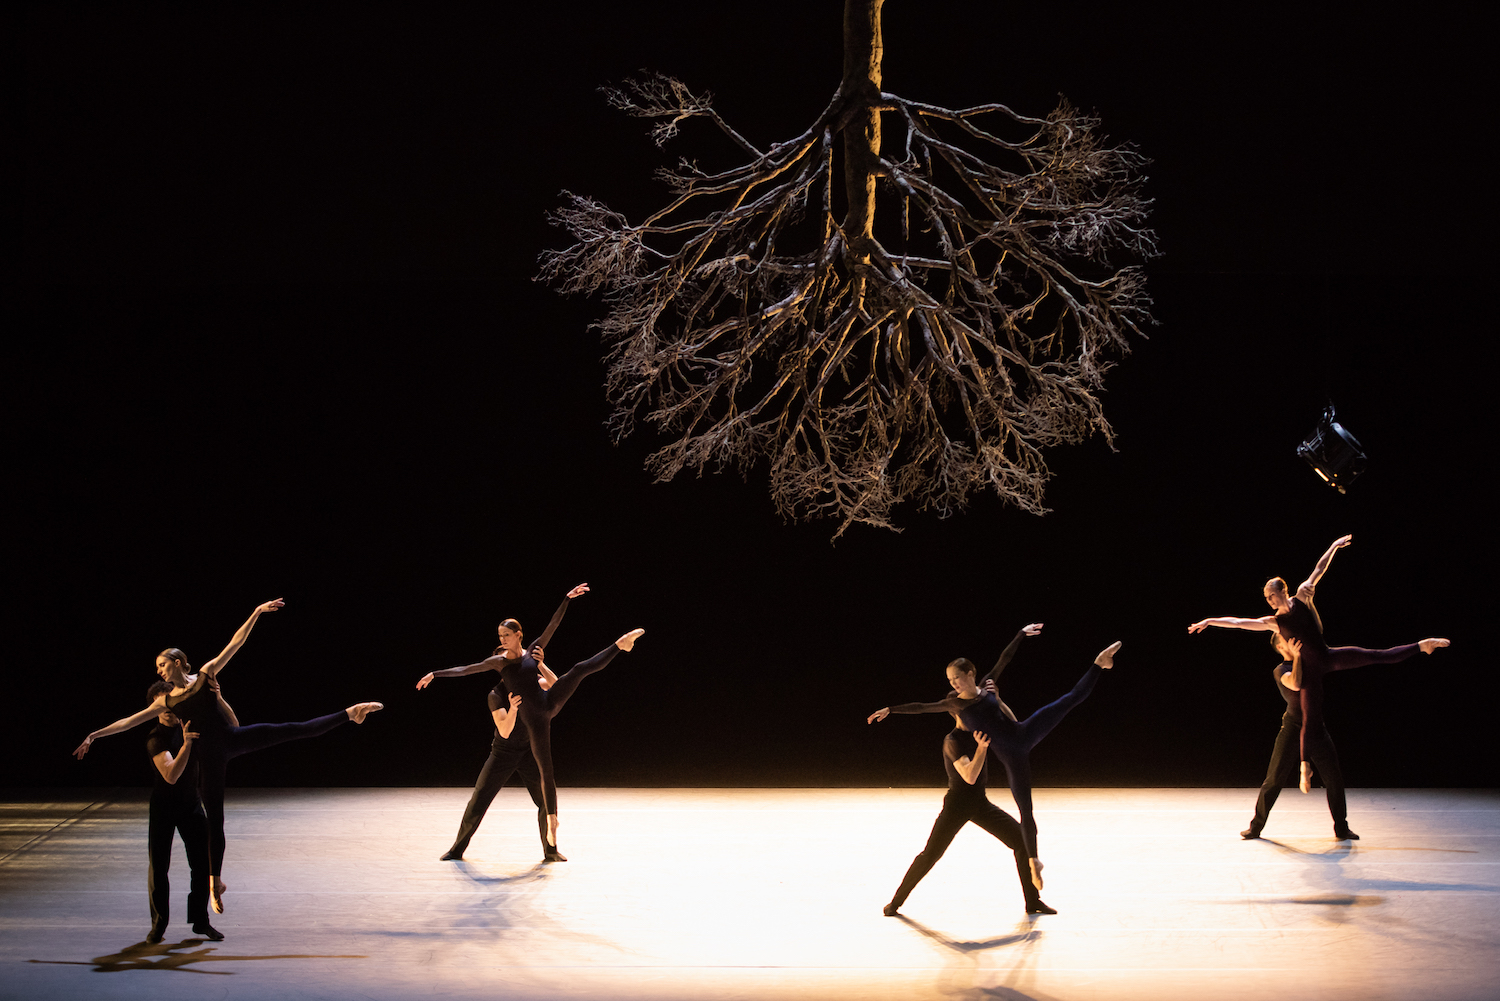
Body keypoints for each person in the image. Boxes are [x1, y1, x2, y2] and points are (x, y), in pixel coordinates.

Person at [74, 598, 384, 915]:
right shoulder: (166, 701)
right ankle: (216, 883)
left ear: (179, 662)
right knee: (216, 819)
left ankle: (351, 713)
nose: (159, 670)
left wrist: (255, 613)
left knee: (293, 728)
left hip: (231, 739)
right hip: (206, 759)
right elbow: (128, 721)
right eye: (158, 668)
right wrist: (93, 735)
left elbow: (235, 644)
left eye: (163, 664)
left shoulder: (207, 674)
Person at [1188, 534, 1449, 792]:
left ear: (1282, 591)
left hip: (1327, 656)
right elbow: (1239, 622)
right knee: (1309, 717)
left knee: (1375, 655)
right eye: (1266, 598)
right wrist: (1210, 621)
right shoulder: (1274, 622)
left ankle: (1421, 646)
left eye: (1271, 595)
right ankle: (1304, 767)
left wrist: (1334, 546)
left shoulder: (1302, 596)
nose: (1269, 600)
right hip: (1309, 673)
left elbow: (1319, 569)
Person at [869, 630, 1121, 892]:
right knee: (1026, 810)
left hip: (1023, 732)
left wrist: (1021, 635)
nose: (954, 683)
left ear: (971, 674)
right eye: (950, 679)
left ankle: (1098, 664)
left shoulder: (988, 687)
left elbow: (1005, 660)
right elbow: (921, 706)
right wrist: (891, 709)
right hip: (1013, 756)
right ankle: (1034, 861)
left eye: (957, 677)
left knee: (1068, 701)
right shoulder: (954, 705)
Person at [416, 583, 643, 850]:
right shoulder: (498, 676)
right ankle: (541, 827)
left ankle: (620, 645)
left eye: (505, 635)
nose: (501, 641)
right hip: (521, 736)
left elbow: (552, 628)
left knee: (580, 669)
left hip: (547, 706)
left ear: (518, 635)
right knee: (529, 778)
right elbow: (467, 670)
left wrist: (566, 599)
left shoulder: (532, 654)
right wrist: (436, 674)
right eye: (499, 636)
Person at [883, 710, 1055, 918]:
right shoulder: (952, 741)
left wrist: (997, 698)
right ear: (954, 711)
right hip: (957, 805)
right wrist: (982, 748)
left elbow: (1014, 725)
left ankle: (1033, 901)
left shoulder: (979, 730)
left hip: (980, 804)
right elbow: (970, 776)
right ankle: (895, 903)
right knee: (931, 854)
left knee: (1021, 840)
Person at [1241, 635, 1358, 840]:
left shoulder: (1309, 661)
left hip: (1316, 728)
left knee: (1334, 778)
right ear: (1280, 646)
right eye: (1285, 638)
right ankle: (1256, 827)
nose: (1291, 637)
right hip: (1292, 728)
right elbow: (1295, 684)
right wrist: (1296, 657)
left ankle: (1341, 827)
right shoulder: (1280, 670)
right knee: (1274, 778)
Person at [440, 685, 561, 863]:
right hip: (503, 753)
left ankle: (551, 851)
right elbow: (504, 732)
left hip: (528, 751)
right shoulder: (496, 695)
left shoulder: (532, 682)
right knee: (479, 799)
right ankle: (457, 849)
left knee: (546, 799)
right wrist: (513, 708)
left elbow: (557, 686)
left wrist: (542, 665)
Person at [143, 692, 220, 943]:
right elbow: (171, 775)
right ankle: (159, 924)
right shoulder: (155, 738)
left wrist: (218, 698)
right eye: (161, 705)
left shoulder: (191, 727)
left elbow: (233, 728)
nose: (168, 709)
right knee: (159, 867)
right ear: (153, 709)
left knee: (201, 865)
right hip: (164, 806)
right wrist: (187, 744)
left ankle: (200, 921)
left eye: (170, 703)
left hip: (191, 804)